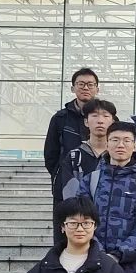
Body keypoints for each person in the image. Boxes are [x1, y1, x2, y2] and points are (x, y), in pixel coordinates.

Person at [78, 121, 136, 273]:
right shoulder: (91, 180)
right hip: (92, 268)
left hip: (131, 271)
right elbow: (81, 221)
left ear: (135, 146)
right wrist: (100, 255)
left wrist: (118, 255)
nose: (120, 145)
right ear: (107, 144)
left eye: (126, 140)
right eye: (115, 140)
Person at [44, 68, 99, 235]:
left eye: (90, 84)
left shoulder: (105, 117)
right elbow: (50, 154)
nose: (85, 88)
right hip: (66, 183)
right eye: (81, 84)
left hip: (98, 183)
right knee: (65, 231)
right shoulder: (60, 118)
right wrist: (60, 173)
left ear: (97, 89)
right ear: (73, 88)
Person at [55, 99, 116, 204]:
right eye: (94, 116)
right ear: (86, 122)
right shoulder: (74, 157)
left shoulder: (118, 156)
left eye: (105, 116)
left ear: (113, 122)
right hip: (82, 213)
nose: (100, 121)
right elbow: (70, 193)